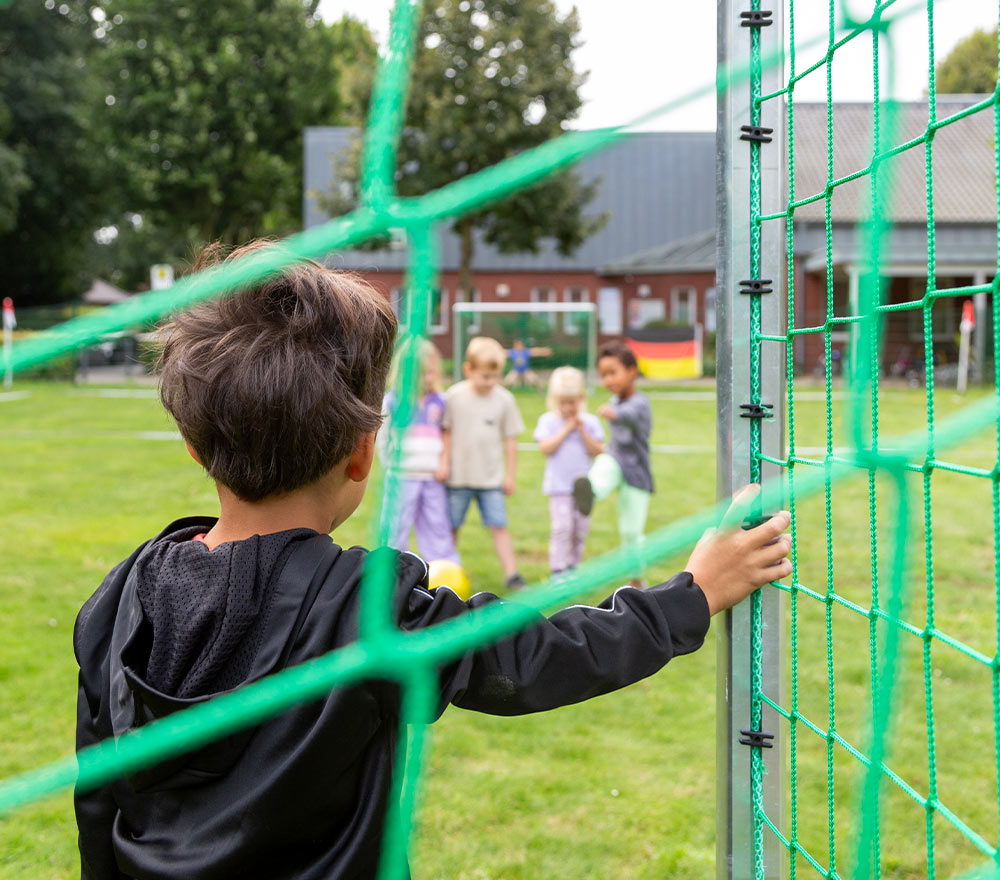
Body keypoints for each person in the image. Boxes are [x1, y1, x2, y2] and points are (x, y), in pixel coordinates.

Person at [73, 241, 792, 880]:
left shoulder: (124, 591)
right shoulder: (368, 608)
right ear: (362, 453)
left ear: (195, 447)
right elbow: (538, 657)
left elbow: (96, 790)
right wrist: (692, 594)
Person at [442, 335, 526, 591]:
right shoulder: (453, 397)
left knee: (499, 526)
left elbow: (511, 441)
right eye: (485, 376)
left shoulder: (504, 400)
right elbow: (445, 432)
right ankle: (444, 573)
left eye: (496, 376)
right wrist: (444, 463)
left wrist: (509, 476)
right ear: (468, 369)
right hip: (458, 479)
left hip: (491, 481)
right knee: (451, 528)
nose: (491, 382)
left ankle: (512, 575)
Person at [573, 340, 653, 588]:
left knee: (631, 532)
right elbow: (615, 441)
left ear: (632, 371)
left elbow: (630, 415)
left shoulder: (639, 402)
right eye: (603, 375)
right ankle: (591, 491)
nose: (607, 380)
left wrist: (615, 414)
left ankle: (637, 581)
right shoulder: (614, 401)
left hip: (637, 473)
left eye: (612, 373)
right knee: (605, 464)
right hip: (617, 461)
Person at [378, 339, 459, 565]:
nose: (428, 379)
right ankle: (395, 567)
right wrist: (390, 463)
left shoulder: (439, 402)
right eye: (422, 373)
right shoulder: (393, 402)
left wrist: (444, 463)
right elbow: (383, 438)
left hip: (432, 476)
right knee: (396, 524)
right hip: (402, 476)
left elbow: (445, 433)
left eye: (432, 373)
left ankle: (444, 566)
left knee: (436, 523)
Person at [534, 366, 604, 575]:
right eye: (563, 403)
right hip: (559, 486)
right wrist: (566, 429)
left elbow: (598, 451)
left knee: (579, 529)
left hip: (583, 489)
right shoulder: (548, 421)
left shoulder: (590, 422)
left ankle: (573, 566)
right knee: (562, 528)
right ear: (555, 401)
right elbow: (545, 448)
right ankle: (558, 569)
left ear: (581, 398)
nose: (568, 408)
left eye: (572, 402)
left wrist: (581, 430)